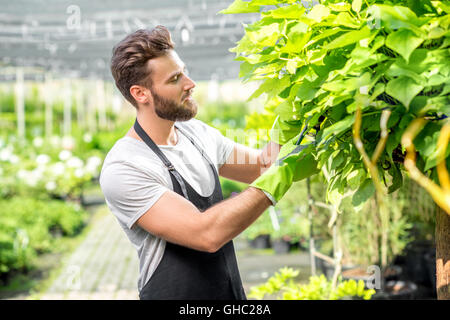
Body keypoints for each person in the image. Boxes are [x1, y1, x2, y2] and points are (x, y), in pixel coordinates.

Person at [100, 26, 316, 300]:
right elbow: (207, 234)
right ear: (141, 94)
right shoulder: (126, 167)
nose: (190, 83)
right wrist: (281, 174)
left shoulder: (197, 135)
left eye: (184, 71)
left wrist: (289, 117)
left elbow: (263, 166)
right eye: (175, 78)